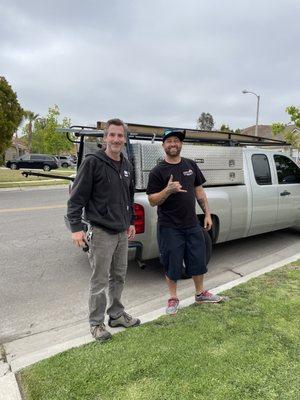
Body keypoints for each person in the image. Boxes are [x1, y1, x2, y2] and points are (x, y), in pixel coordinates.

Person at [67, 118, 140, 341]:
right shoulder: (92, 162)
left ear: (124, 138)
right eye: (112, 135)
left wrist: (130, 221)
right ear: (105, 137)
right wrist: (76, 228)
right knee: (99, 280)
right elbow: (76, 199)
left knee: (119, 276)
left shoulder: (127, 165)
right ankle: (96, 323)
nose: (116, 139)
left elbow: (128, 197)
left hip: (121, 232)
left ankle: (116, 314)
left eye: (120, 135)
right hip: (100, 232)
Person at [146, 129, 222, 315]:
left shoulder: (190, 165)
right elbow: (152, 200)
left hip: (191, 224)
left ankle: (200, 293)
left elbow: (199, 192)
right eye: (169, 141)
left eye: (176, 141)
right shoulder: (158, 171)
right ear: (163, 146)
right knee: (172, 263)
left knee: (198, 259)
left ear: (181, 145)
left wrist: (207, 214)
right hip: (169, 226)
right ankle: (173, 298)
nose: (173, 144)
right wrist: (168, 190)